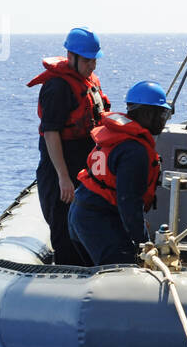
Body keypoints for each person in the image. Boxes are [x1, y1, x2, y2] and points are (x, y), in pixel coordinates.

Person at [25, 27, 110, 265]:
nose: (92, 65)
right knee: (64, 230)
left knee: (87, 228)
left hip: (84, 169)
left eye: (94, 60)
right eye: (87, 60)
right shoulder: (58, 87)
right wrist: (63, 178)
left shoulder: (88, 82)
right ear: (71, 56)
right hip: (61, 169)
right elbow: (51, 133)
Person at [67, 81, 171, 266]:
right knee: (120, 272)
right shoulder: (134, 151)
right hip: (98, 219)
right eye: (162, 114)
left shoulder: (117, 138)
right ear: (147, 113)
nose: (164, 120)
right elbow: (128, 201)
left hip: (80, 212)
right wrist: (143, 243)